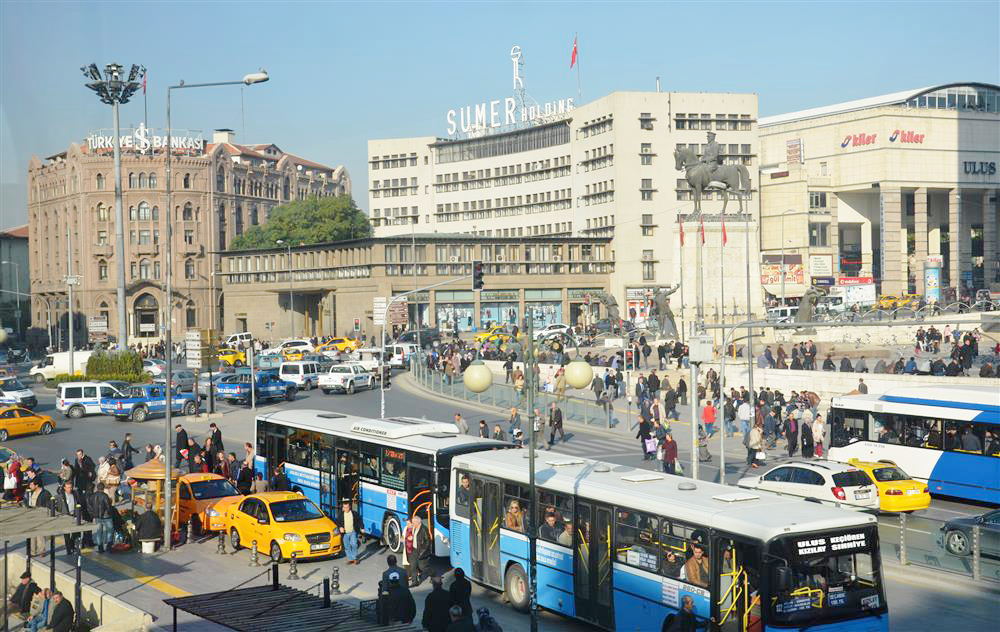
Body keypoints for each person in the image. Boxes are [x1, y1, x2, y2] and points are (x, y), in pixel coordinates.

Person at [404, 514, 432, 586]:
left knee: (423, 567)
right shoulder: (414, 528)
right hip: (413, 550)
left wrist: (422, 552)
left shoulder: (424, 529)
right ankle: (414, 582)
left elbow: (427, 542)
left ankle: (433, 575)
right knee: (413, 566)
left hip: (420, 551)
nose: (412, 524)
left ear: (418, 522)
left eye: (413, 522)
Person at [88, 482, 115, 553]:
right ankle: (109, 546)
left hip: (97, 517)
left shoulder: (93, 496)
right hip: (106, 517)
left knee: (99, 532)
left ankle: (100, 548)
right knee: (110, 530)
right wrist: (110, 513)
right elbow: (108, 506)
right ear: (103, 488)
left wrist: (93, 514)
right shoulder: (105, 496)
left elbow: (90, 506)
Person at [337, 500, 361, 565]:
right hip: (345, 533)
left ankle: (355, 558)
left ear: (349, 507)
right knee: (347, 546)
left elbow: (359, 520)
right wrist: (340, 527)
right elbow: (338, 522)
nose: (346, 509)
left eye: (347, 507)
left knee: (354, 544)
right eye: (344, 507)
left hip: (352, 532)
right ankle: (350, 559)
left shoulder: (354, 513)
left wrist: (362, 527)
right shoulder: (341, 515)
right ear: (343, 508)